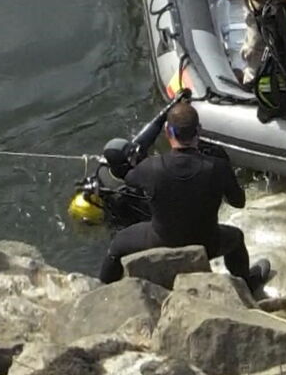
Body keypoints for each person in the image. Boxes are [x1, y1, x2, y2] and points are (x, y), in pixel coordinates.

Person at [98, 102, 270, 291]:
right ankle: (246, 284)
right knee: (236, 238)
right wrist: (224, 168)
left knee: (118, 244)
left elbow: (127, 177)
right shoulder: (217, 167)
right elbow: (239, 202)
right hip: (207, 243)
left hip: (160, 241)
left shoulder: (151, 168)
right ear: (199, 130)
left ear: (168, 132)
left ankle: (102, 291)